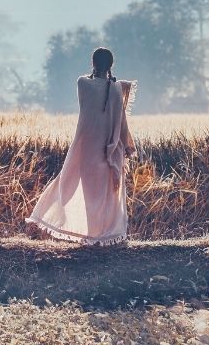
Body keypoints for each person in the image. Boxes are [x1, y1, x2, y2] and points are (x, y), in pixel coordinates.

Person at [26, 47, 136, 244]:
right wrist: (127, 145)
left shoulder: (83, 83)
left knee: (88, 194)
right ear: (111, 65)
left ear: (93, 63)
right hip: (109, 151)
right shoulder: (117, 88)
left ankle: (90, 236)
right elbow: (121, 118)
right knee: (106, 196)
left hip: (87, 150)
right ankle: (103, 235)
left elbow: (94, 89)